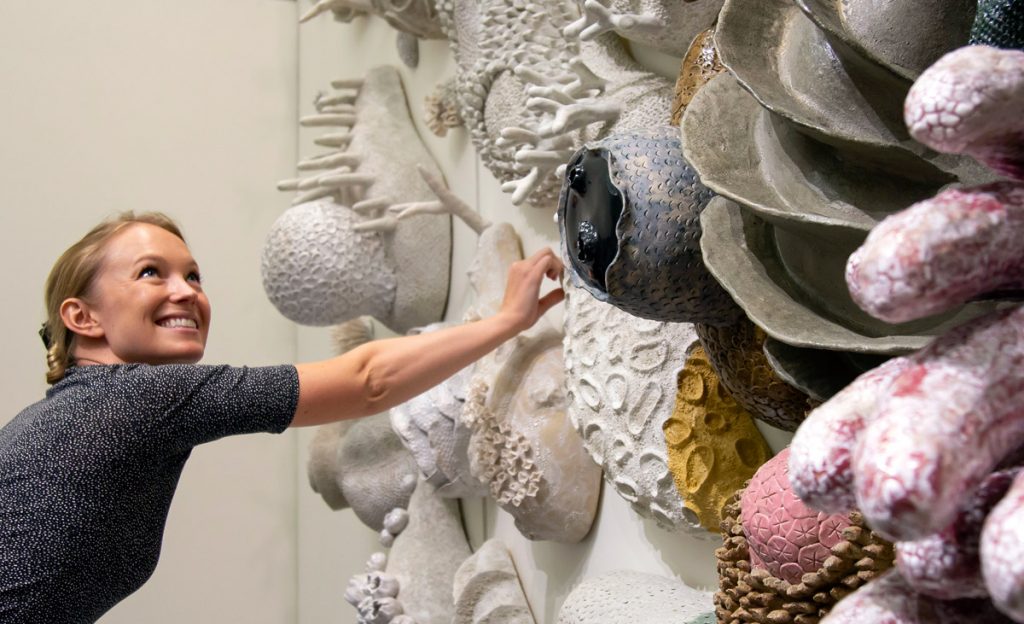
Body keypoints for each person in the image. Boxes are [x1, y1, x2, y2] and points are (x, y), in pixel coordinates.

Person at [0, 211, 564, 624]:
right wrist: (505, 321)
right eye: (152, 273)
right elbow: (366, 381)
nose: (187, 293)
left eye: (193, 276)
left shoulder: (82, 408)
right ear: (83, 317)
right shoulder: (134, 399)